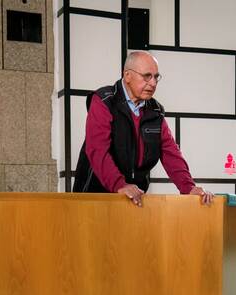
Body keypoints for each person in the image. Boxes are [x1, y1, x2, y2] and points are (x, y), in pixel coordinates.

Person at [73, 51, 212, 207]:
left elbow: (170, 152)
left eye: (156, 77)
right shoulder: (104, 101)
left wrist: (189, 187)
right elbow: (97, 150)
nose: (153, 83)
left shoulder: (156, 111)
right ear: (127, 76)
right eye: (147, 76)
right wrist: (120, 185)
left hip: (135, 198)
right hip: (95, 198)